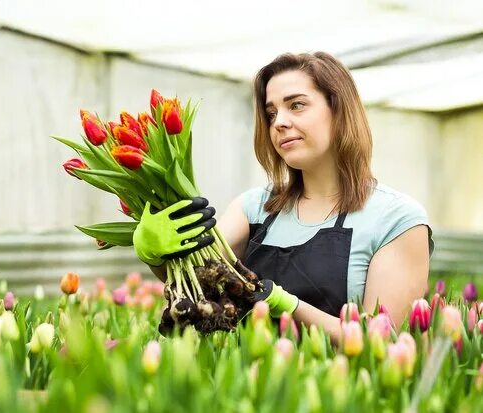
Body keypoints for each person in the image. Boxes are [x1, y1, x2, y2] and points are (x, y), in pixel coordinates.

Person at [133, 51, 434, 342]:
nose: (278, 122)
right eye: (271, 113)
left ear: (339, 110)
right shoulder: (254, 208)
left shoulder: (396, 219)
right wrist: (156, 256)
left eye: (297, 105)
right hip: (246, 385)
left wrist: (289, 306)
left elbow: (381, 341)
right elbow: (199, 286)